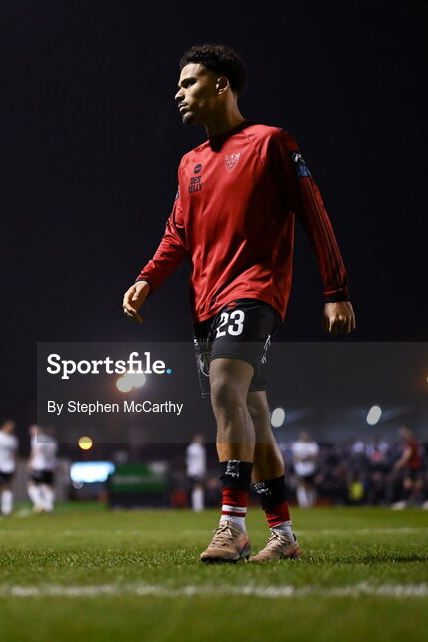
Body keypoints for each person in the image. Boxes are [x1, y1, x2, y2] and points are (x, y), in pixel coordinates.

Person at [123, 44, 355, 563]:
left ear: (221, 84)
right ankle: (285, 538)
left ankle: (231, 527)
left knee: (226, 387)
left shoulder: (270, 142)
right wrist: (147, 279)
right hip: (205, 301)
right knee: (254, 413)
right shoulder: (189, 164)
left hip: (254, 290)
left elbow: (312, 211)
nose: (178, 93)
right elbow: (176, 236)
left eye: (189, 82)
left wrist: (335, 290)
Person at [27, 425, 57, 513]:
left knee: (32, 484)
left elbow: (36, 450)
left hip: (39, 466)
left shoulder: (37, 439)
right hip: (50, 466)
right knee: (48, 486)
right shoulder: (52, 440)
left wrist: (30, 461)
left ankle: (39, 504)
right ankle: (49, 506)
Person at [392, 426, 423, 509]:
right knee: (415, 485)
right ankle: (415, 501)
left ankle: (405, 501)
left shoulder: (411, 444)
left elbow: (407, 455)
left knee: (408, 485)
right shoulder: (414, 443)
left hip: (412, 467)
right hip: (415, 466)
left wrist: (399, 463)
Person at [291, 431, 320, 508]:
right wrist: (306, 457)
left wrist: (304, 458)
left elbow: (314, 456)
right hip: (300, 469)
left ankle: (311, 503)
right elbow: (295, 457)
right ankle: (303, 504)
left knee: (310, 486)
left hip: (311, 469)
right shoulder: (296, 445)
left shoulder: (313, 445)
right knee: (301, 485)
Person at [186, 434, 207, 512]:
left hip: (191, 470)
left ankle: (195, 506)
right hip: (198, 471)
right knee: (199, 488)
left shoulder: (190, 448)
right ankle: (198, 507)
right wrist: (202, 471)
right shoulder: (200, 448)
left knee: (195, 488)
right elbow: (201, 461)